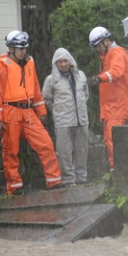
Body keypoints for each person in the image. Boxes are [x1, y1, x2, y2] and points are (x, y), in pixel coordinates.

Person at [0, 30, 63, 196]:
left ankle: (54, 181)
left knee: (46, 144)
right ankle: (14, 186)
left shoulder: (30, 62)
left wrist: (41, 110)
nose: (23, 51)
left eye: (25, 48)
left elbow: (35, 87)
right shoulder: (1, 65)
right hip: (10, 111)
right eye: (20, 48)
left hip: (29, 112)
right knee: (11, 151)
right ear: (11, 48)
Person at [87, 26, 128, 171]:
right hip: (112, 107)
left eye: (98, 46)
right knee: (112, 141)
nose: (97, 49)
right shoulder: (111, 55)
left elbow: (116, 72)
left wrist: (99, 78)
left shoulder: (116, 53)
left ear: (106, 41)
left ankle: (117, 172)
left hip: (116, 106)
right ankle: (117, 171)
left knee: (113, 141)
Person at [42, 48, 90, 186]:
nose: (63, 64)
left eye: (65, 60)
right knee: (64, 152)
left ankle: (81, 178)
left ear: (71, 61)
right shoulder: (51, 79)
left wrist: (79, 108)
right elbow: (47, 98)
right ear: (55, 63)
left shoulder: (81, 76)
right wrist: (58, 110)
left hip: (81, 119)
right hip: (63, 121)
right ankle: (68, 180)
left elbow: (85, 94)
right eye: (59, 61)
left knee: (82, 150)